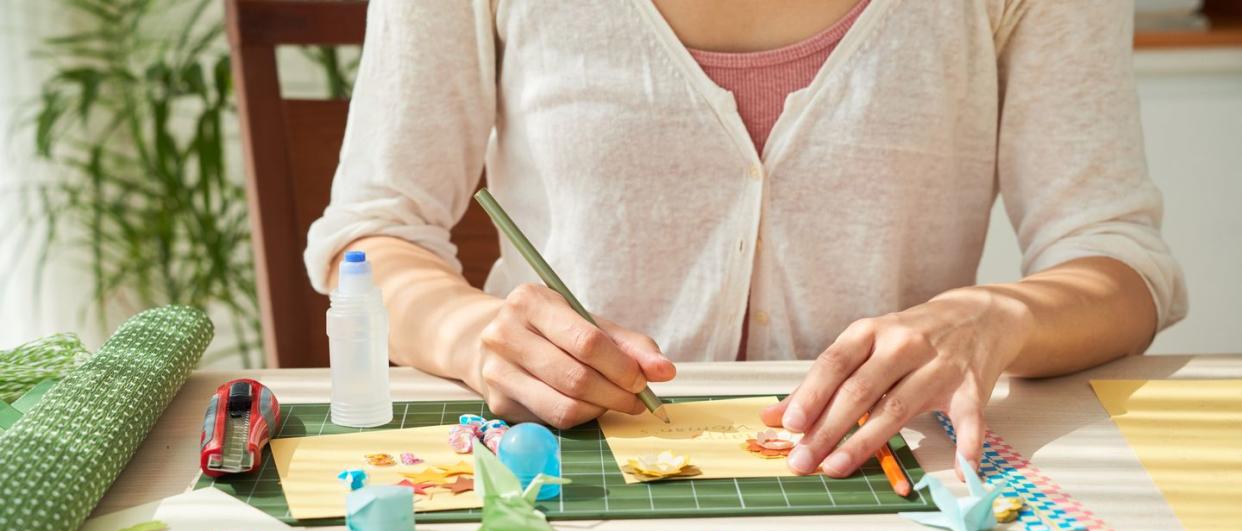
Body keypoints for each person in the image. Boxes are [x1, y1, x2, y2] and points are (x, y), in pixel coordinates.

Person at [304, 0, 1186, 480]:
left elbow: (1118, 261)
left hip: (891, 477)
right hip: (555, 474)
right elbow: (373, 235)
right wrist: (471, 334)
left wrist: (990, 318)